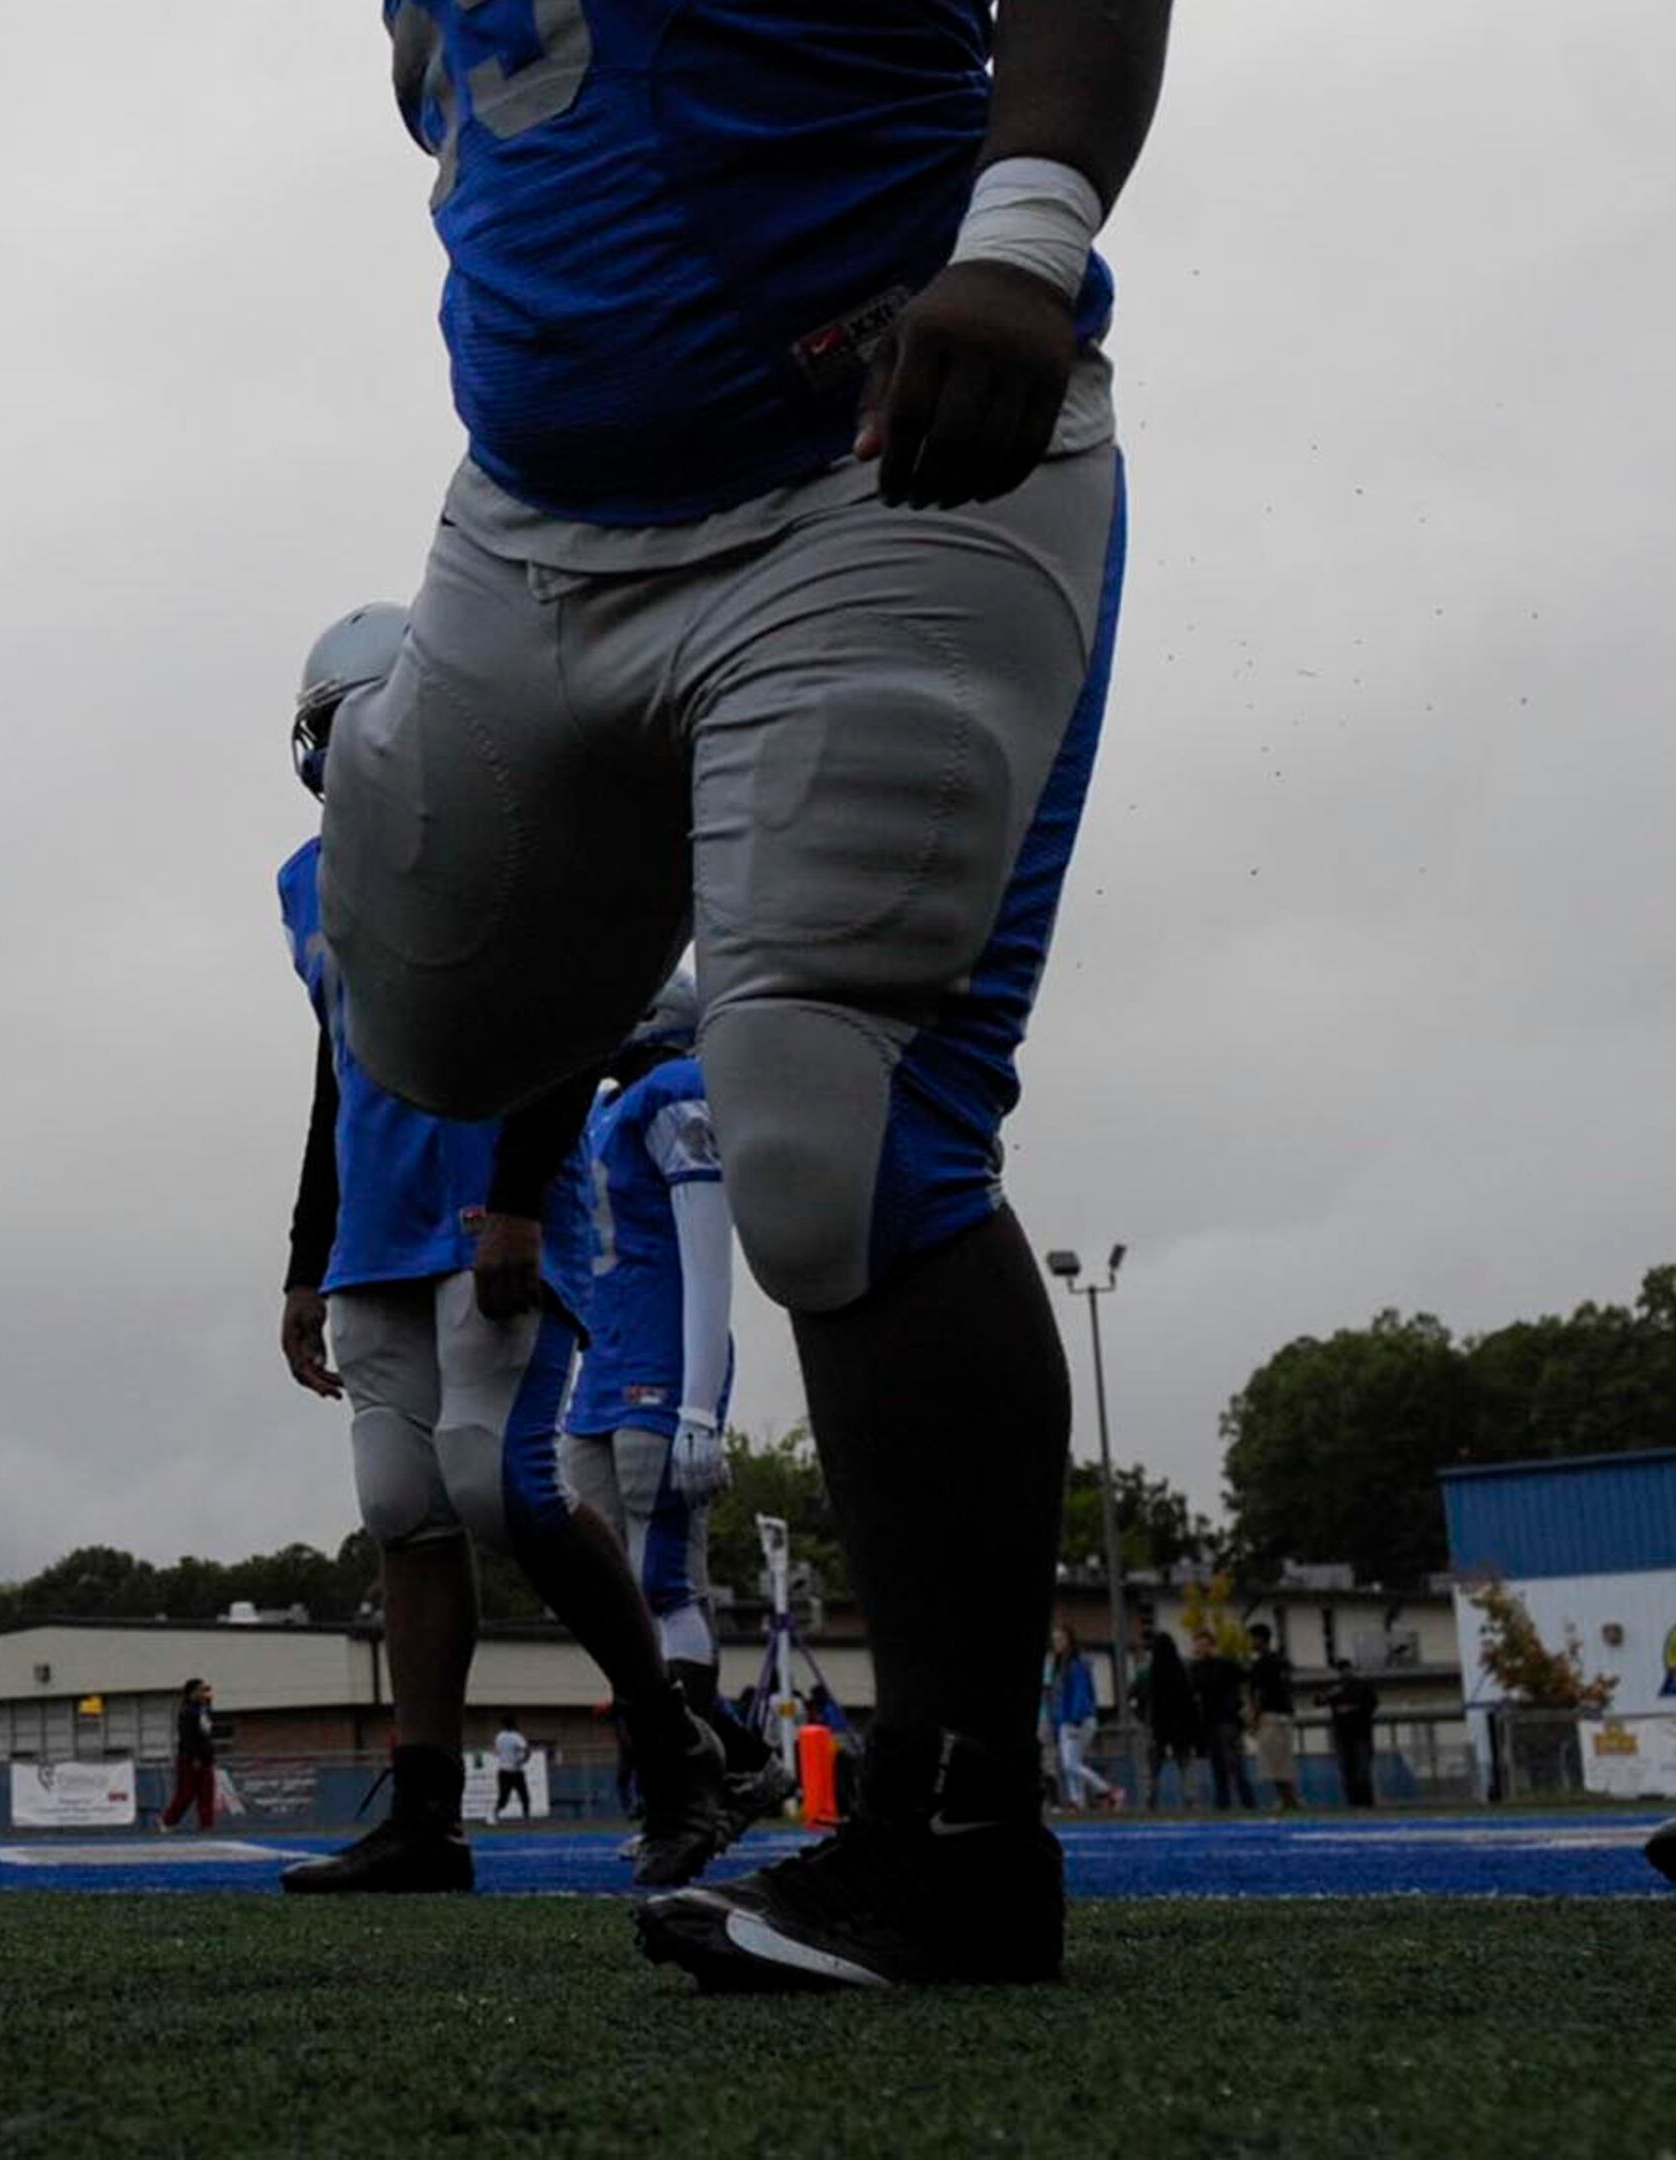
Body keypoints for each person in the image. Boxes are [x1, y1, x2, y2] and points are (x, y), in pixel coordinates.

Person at [320, 0, 1172, 1993]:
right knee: (425, 1024)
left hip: (870, 457)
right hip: (528, 530)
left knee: (826, 1123)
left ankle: (958, 1831)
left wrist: (1025, 229)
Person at [272, 617, 730, 1899]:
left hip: (488, 1206)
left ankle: (678, 1750)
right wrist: (306, 1254)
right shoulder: (309, 878)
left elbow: (580, 1011)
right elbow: (334, 1069)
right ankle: (428, 1814)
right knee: (400, 1512)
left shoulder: (506, 836)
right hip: (374, 1227)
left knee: (499, 1484)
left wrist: (523, 1191)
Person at [546, 978, 789, 1826]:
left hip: (658, 1367)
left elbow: (706, 1246)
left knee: (662, 1586)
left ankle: (682, 1790)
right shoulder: (606, 1110)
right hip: (601, 1374)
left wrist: (696, 1407)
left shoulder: (678, 1093)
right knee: (597, 1584)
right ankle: (736, 1758)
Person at [1043, 1626, 1117, 1810]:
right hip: (1066, 1720)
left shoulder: (1075, 1664)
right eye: (1055, 1640)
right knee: (1072, 1762)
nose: (1057, 1644)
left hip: (1076, 1719)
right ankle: (1077, 1800)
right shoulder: (1060, 1665)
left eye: (1061, 1639)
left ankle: (1106, 1789)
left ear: (1069, 1641)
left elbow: (1080, 1693)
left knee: (1070, 1763)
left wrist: (1075, 1717)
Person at [1139, 1629, 1200, 1809]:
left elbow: (1141, 1698)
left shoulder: (1149, 1674)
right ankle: (1191, 1799)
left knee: (1152, 1767)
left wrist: (1146, 1720)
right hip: (1181, 1726)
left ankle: (1150, 1798)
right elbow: (1191, 1701)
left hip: (1157, 1726)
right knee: (1185, 1764)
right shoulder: (1183, 1672)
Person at [1189, 1633, 1249, 1810]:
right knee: (1219, 1766)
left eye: (1203, 1645)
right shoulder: (1196, 1668)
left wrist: (1239, 1704)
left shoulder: (1224, 1664)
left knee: (1233, 1763)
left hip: (1226, 1719)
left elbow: (1244, 1677)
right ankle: (1224, 1803)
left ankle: (1244, 1801)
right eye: (1198, 1645)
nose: (1200, 1648)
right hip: (1210, 1721)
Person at [157, 1680, 226, 1834]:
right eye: (201, 1690)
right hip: (190, 1759)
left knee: (207, 1793)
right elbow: (187, 1737)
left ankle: (206, 1825)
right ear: (192, 1693)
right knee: (186, 1794)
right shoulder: (187, 1711)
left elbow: (206, 1734)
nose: (204, 1693)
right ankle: (168, 1820)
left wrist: (209, 1756)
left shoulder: (204, 1709)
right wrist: (193, 1757)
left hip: (205, 1757)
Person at [1247, 1623, 1302, 1810]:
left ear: (1261, 1639)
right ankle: (1289, 1799)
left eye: (1252, 1638)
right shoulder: (1282, 1661)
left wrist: (1253, 1717)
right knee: (1283, 1760)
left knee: (1274, 1762)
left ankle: (1289, 1799)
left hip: (1270, 1714)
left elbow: (1258, 1693)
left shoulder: (1261, 1664)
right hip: (1285, 1714)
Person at [1319, 1658, 1380, 1809]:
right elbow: (1318, 1701)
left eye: (1345, 1669)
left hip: (1360, 1734)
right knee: (1347, 1771)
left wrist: (1350, 1709)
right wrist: (1329, 1695)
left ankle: (1366, 1802)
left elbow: (1371, 1704)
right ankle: (1353, 1803)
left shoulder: (1362, 1687)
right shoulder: (1336, 1690)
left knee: (1362, 1771)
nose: (1344, 1673)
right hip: (1343, 1735)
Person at [490, 1714, 535, 1822]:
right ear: (514, 1724)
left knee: (503, 1797)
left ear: (503, 1725)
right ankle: (526, 1816)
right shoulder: (516, 1736)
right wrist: (524, 1760)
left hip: (503, 1771)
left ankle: (494, 1814)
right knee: (524, 1795)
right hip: (516, 1771)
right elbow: (527, 1750)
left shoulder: (499, 1736)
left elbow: (495, 1751)